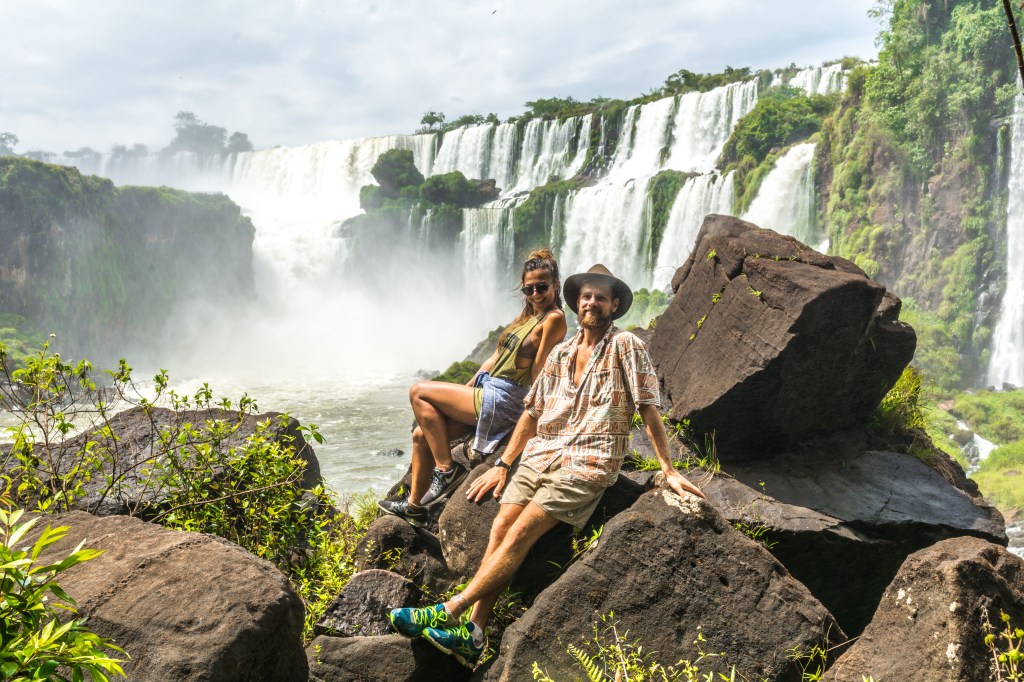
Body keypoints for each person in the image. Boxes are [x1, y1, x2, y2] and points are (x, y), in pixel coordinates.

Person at [386, 264, 707, 668]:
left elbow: (647, 407)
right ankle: (474, 634)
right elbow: (531, 413)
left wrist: (669, 469)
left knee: (521, 531)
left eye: (601, 297)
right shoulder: (561, 353)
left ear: (615, 305)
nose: (592, 302)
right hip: (541, 454)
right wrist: (502, 464)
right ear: (577, 303)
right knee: (500, 526)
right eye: (586, 296)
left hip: (587, 461)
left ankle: (449, 610)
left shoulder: (626, 345)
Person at [378, 249, 567, 527]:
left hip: (505, 397)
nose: (536, 294)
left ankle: (447, 470)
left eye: (542, 287)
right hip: (488, 391)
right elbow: (494, 358)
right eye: (529, 289)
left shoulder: (554, 318)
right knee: (420, 435)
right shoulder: (527, 317)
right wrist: (466, 388)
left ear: (555, 285)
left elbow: (540, 369)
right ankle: (415, 508)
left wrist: (539, 413)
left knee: (418, 391)